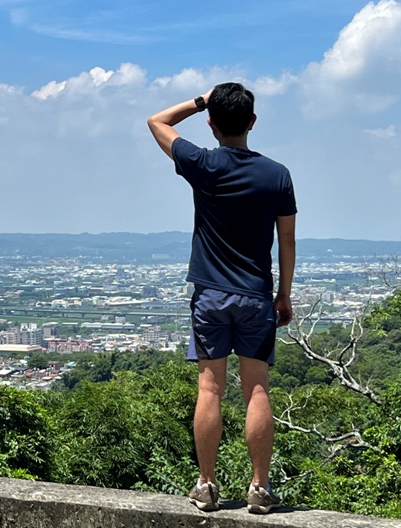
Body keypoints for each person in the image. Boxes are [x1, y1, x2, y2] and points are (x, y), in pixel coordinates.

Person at [147, 83, 296, 513]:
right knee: (257, 389)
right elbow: (286, 239)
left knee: (209, 388)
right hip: (255, 295)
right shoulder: (277, 174)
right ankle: (260, 488)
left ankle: (207, 486)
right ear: (253, 122)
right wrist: (283, 294)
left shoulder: (204, 164)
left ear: (212, 124)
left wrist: (201, 100)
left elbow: (156, 121)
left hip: (210, 295)